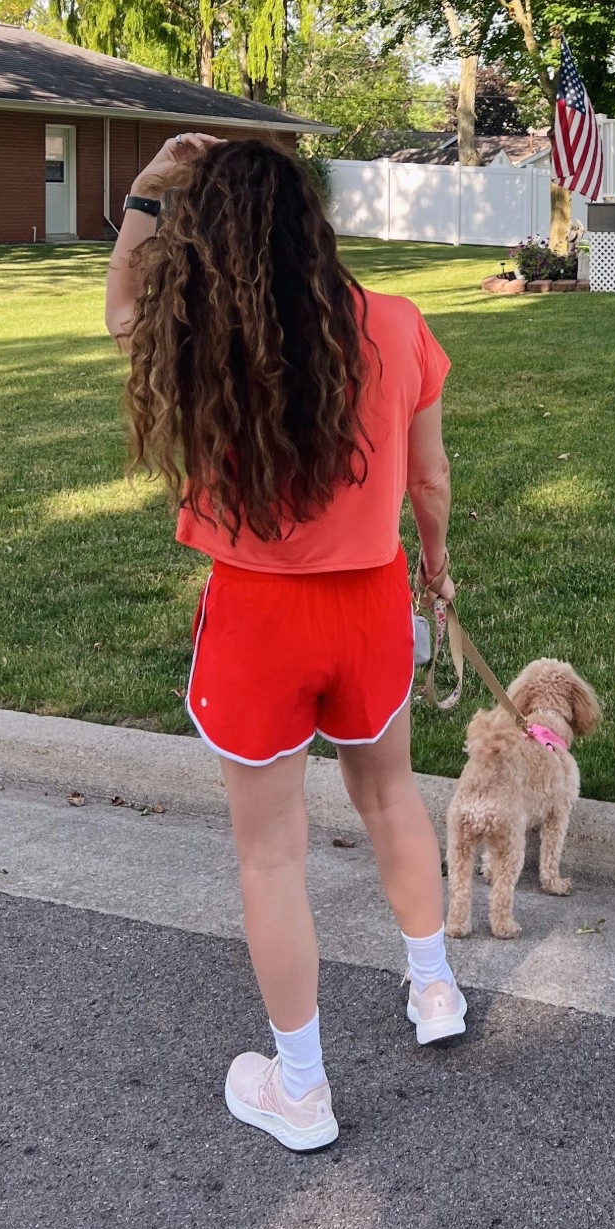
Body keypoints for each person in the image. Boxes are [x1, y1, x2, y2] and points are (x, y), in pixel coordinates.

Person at [105, 132, 465, 1152]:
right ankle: (433, 986)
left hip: (258, 619)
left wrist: (144, 192)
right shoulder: (396, 323)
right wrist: (437, 569)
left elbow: (119, 307)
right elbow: (430, 482)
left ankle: (301, 1087)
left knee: (273, 853)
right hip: (369, 604)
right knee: (391, 792)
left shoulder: (194, 328)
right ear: (314, 220)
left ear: (207, 233)